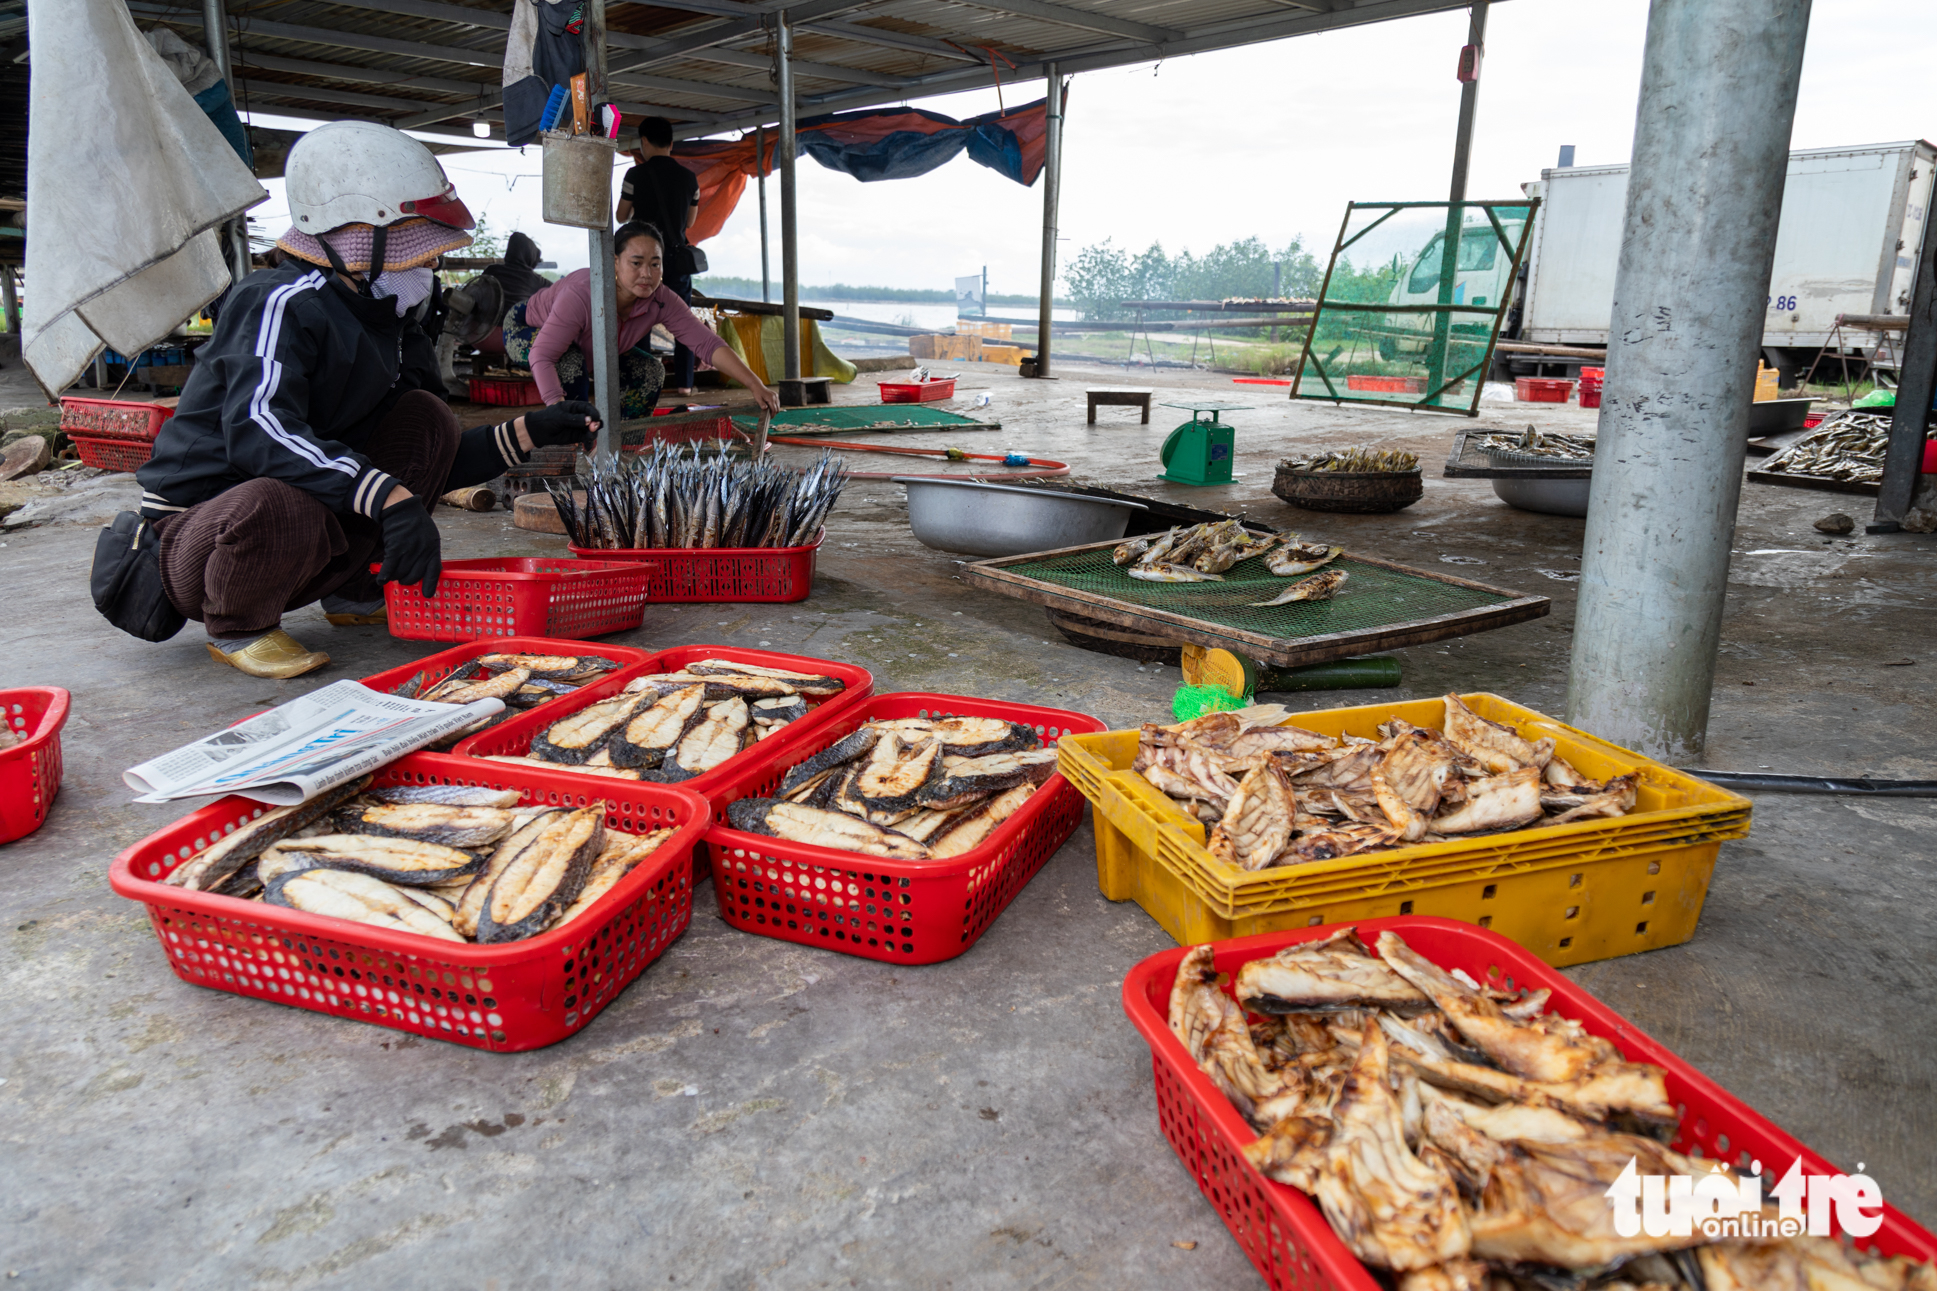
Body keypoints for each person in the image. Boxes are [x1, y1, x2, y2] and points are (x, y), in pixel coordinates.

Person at [130, 120, 603, 680]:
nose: (429, 267)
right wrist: (391, 500)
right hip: (204, 535)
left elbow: (431, 458)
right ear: (361, 235)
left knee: (427, 418)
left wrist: (534, 430)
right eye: (417, 247)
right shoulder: (279, 301)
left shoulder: (391, 319)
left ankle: (355, 591)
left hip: (300, 519)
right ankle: (239, 623)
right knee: (284, 498)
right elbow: (259, 431)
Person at [502, 221, 781, 421]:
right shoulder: (582, 293)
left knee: (650, 370)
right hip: (525, 328)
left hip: (592, 350)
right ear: (613, 262)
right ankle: (577, 436)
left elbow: (707, 344)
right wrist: (557, 409)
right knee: (570, 361)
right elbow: (543, 355)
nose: (647, 273)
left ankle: (625, 440)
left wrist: (756, 384)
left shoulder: (661, 298)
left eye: (655, 264)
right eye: (636, 263)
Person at [614, 117, 700, 393]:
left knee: (639, 320)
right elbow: (690, 222)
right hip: (675, 261)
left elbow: (620, 216)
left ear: (644, 142)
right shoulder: (689, 178)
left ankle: (641, 384)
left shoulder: (635, 176)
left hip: (644, 262)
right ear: (672, 143)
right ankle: (685, 385)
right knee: (683, 322)